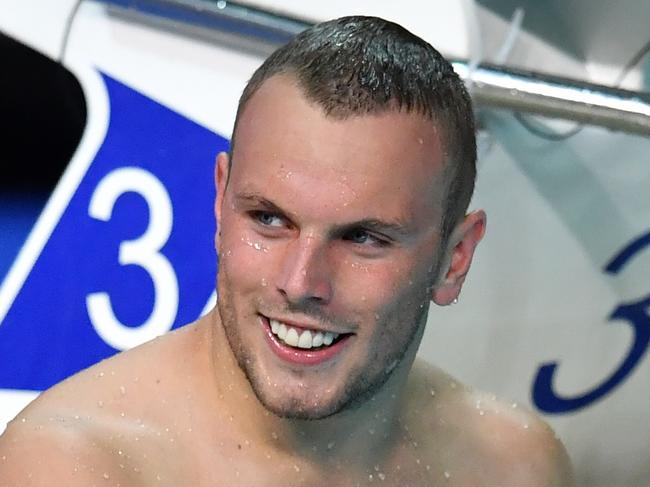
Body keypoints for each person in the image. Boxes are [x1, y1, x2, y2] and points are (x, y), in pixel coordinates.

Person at [0, 16, 573, 486]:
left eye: (362, 238)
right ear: (221, 205)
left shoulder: (512, 467)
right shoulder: (76, 466)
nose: (301, 283)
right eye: (269, 219)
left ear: (455, 259)